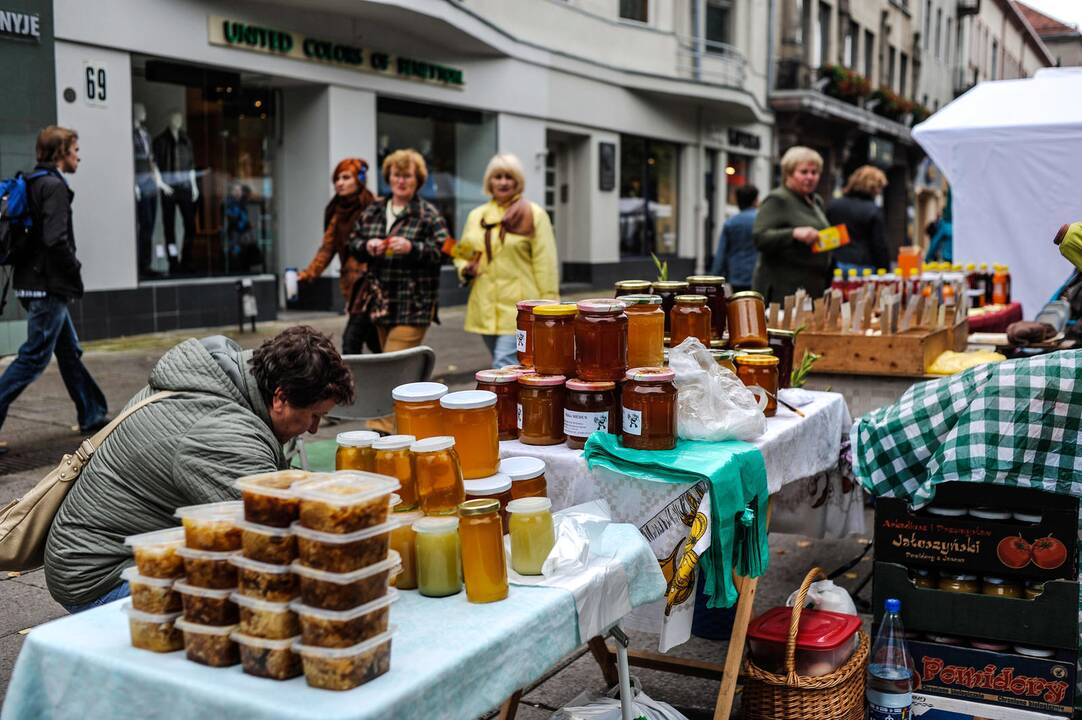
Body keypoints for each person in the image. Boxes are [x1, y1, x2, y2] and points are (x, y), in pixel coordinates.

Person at [43, 325, 354, 612]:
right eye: (314, 415)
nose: (314, 429)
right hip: (101, 577)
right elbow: (270, 539)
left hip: (108, 552)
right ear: (281, 398)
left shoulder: (227, 379)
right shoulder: (224, 435)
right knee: (259, 600)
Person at [0, 126, 108, 457]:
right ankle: (92, 411)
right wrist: (73, 271)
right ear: (61, 153)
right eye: (75, 149)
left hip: (31, 282)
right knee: (34, 357)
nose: (79, 155)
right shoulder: (54, 187)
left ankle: (92, 411)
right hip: (48, 286)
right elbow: (55, 239)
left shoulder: (34, 182)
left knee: (68, 350)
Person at [457, 153, 558, 367]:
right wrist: (465, 268)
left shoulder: (534, 214)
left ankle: (502, 401)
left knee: (503, 364)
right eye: (498, 176)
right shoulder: (476, 216)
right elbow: (462, 253)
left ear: (517, 181)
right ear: (489, 181)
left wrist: (550, 306)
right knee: (513, 366)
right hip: (484, 305)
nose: (503, 182)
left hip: (519, 309)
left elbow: (545, 262)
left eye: (508, 177)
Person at [349, 149, 450, 352]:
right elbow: (353, 242)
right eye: (396, 175)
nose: (401, 181)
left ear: (417, 179)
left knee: (393, 364)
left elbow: (445, 251)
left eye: (407, 176)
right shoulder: (374, 210)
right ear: (389, 177)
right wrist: (367, 246)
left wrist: (412, 248)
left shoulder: (428, 214)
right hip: (381, 304)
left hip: (413, 307)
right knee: (397, 369)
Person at [297, 158, 380, 354]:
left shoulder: (374, 207)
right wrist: (309, 273)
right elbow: (327, 248)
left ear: (359, 179)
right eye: (337, 179)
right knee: (374, 339)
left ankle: (351, 382)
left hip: (373, 286)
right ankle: (392, 376)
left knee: (351, 340)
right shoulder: (336, 212)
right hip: (352, 286)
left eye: (346, 177)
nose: (339, 183)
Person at [752, 146, 832, 303]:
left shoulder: (816, 201)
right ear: (788, 173)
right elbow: (759, 237)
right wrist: (794, 234)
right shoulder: (778, 199)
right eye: (803, 172)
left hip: (812, 288)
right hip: (784, 291)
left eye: (814, 172)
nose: (810, 177)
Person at [826, 165, 889, 272]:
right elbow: (879, 245)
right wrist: (885, 269)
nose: (879, 192)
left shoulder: (834, 205)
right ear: (872, 187)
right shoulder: (873, 210)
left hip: (835, 264)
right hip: (862, 266)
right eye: (879, 187)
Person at [710, 185, 760, 294]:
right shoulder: (761, 221)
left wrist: (714, 278)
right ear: (755, 200)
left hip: (737, 275)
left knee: (739, 306)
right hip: (758, 273)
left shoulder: (731, 222)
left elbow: (721, 254)